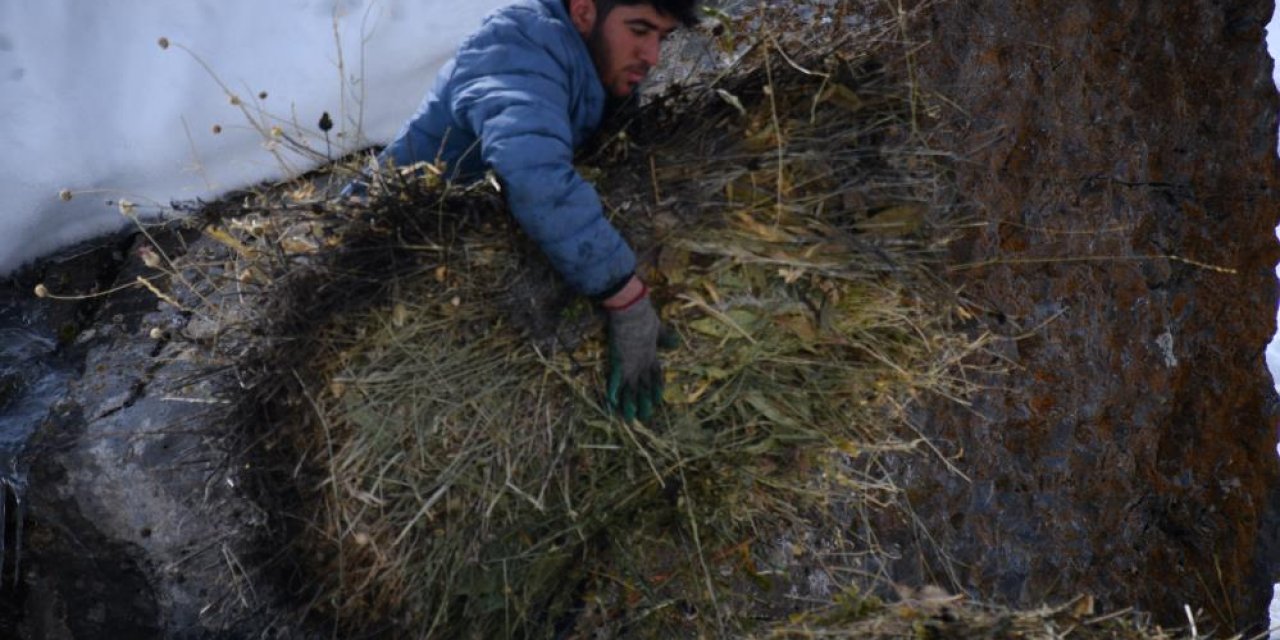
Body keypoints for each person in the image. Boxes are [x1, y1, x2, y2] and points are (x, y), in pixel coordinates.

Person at [346, 0, 700, 421]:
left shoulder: (593, 67)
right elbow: (534, 175)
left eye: (663, 37)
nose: (653, 56)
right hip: (369, 265)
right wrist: (626, 296)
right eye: (640, 30)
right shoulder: (518, 46)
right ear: (585, 11)